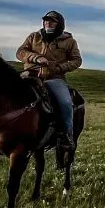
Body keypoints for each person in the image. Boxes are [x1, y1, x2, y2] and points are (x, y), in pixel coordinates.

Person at [16, 10, 82, 151]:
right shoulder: (34, 37)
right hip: (30, 74)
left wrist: (57, 68)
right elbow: (20, 52)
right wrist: (36, 58)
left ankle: (65, 135)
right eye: (46, 20)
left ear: (60, 24)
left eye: (52, 21)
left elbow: (77, 60)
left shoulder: (69, 41)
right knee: (5, 91)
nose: (48, 22)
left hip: (54, 78)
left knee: (65, 103)